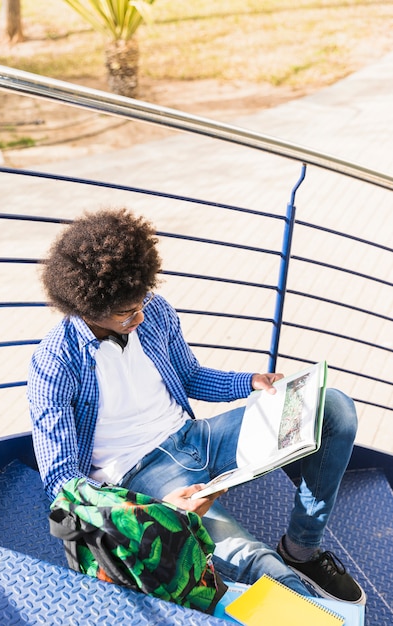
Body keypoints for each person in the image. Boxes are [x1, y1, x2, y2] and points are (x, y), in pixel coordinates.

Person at [28, 207, 365, 605]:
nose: (139, 316)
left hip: (196, 438)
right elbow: (60, 477)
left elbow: (188, 375)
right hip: (142, 475)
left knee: (335, 408)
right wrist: (151, 513)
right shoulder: (54, 362)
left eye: (141, 302)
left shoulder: (152, 309)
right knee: (256, 564)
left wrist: (249, 382)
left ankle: (302, 550)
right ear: (85, 306)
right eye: (125, 312)